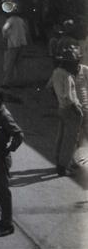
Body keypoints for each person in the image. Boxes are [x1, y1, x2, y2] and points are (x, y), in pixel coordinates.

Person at [0, 88, 24, 237]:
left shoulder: (5, 116)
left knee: (3, 191)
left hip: (1, 156)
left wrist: (10, 148)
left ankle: (8, 223)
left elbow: (19, 135)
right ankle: (3, 219)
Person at [47, 45, 83, 175]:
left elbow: (49, 87)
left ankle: (58, 161)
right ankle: (63, 166)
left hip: (61, 109)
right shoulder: (67, 76)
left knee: (61, 137)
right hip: (70, 109)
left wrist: (58, 99)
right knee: (70, 140)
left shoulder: (56, 72)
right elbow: (69, 96)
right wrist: (77, 109)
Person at [1, 1, 28, 87]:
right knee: (20, 64)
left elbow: (4, 29)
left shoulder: (10, 20)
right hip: (22, 43)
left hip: (13, 44)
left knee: (10, 63)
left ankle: (7, 82)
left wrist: (6, 36)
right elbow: (26, 30)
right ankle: (20, 82)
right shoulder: (21, 20)